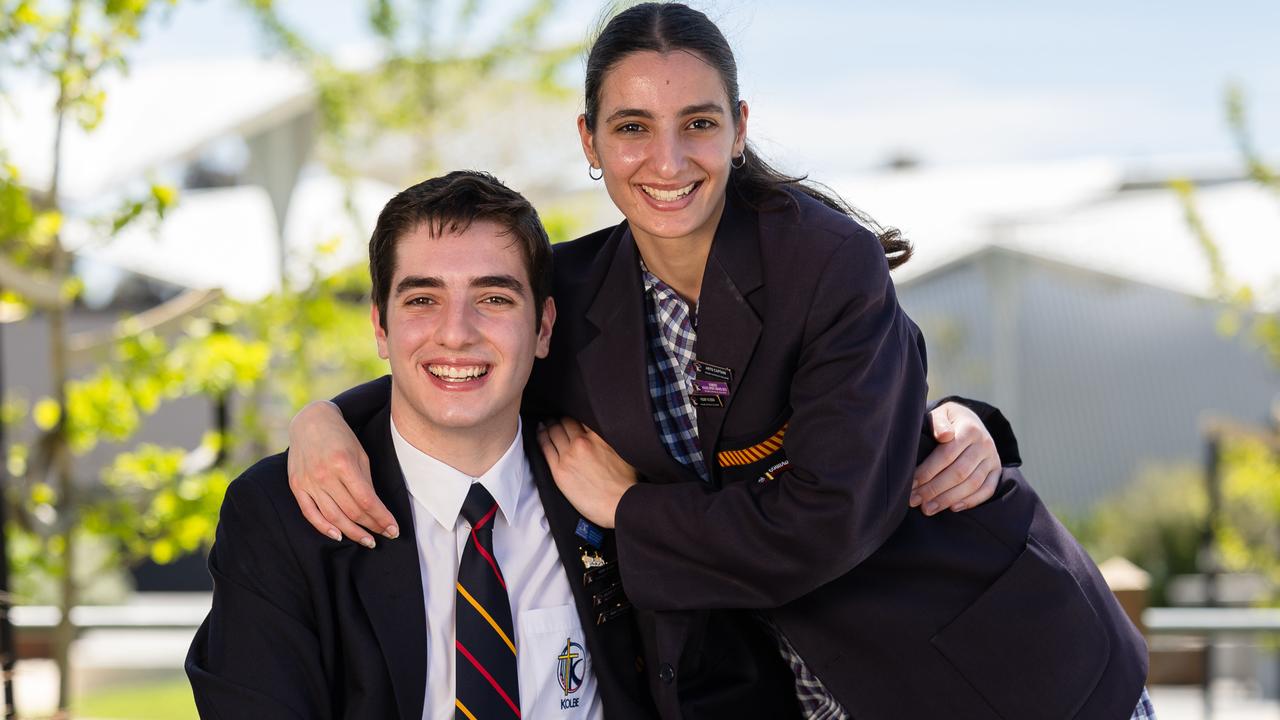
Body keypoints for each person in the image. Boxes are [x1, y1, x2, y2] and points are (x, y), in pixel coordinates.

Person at [286, 4, 1154, 719]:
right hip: (793, 691)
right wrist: (324, 421)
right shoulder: (576, 289)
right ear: (590, 142)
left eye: (697, 124)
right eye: (632, 128)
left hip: (984, 659)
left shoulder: (825, 261)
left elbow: (827, 521)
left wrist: (631, 510)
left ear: (738, 129)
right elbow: (467, 366)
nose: (667, 161)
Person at [186, 172, 657, 719]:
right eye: (423, 299)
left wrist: (636, 512)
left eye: (495, 297)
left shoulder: (616, 483)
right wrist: (322, 414)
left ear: (544, 327)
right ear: (380, 328)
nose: (456, 332)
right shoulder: (280, 516)